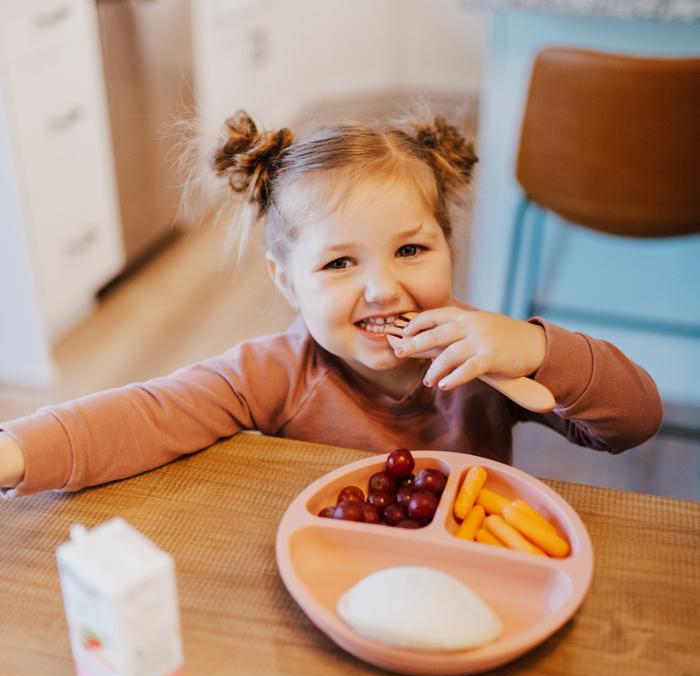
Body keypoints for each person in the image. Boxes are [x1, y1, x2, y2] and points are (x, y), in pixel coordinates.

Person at [0, 110, 662, 498]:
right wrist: (15, 453)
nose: (380, 288)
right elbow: (145, 416)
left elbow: (633, 422)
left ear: (448, 246)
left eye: (411, 251)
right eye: (339, 263)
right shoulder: (276, 372)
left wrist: (537, 347)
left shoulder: (484, 361)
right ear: (287, 281)